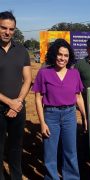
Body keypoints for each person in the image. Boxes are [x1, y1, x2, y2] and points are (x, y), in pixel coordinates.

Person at [32, 39, 87, 180]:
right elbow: (38, 99)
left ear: (70, 58)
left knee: (70, 151)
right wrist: (42, 123)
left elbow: (78, 97)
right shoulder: (44, 73)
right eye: (60, 54)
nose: (63, 58)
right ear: (54, 55)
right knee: (50, 152)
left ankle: (72, 177)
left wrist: (84, 117)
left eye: (66, 55)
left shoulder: (74, 74)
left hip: (69, 114)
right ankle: (51, 177)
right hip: (51, 115)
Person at [0, 11, 32, 180]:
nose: (7, 32)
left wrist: (18, 102)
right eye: (3, 28)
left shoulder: (21, 51)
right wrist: (8, 102)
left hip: (18, 108)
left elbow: (27, 79)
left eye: (11, 29)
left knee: (15, 150)